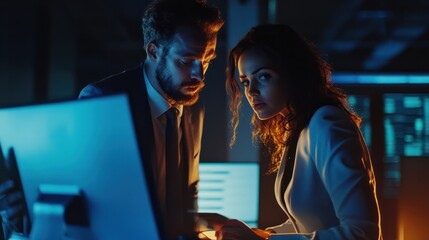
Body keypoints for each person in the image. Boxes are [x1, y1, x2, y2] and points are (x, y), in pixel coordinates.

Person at [218, 24, 382, 240]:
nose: (251, 91)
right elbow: (308, 223)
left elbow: (362, 233)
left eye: (263, 76)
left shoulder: (326, 124)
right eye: (246, 82)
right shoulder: (297, 129)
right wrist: (266, 235)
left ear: (293, 72)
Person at [79, 0, 223, 239]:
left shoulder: (192, 106)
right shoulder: (104, 100)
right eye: (186, 62)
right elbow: (89, 201)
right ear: (154, 51)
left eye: (207, 61)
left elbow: (183, 194)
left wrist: (200, 222)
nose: (199, 76)